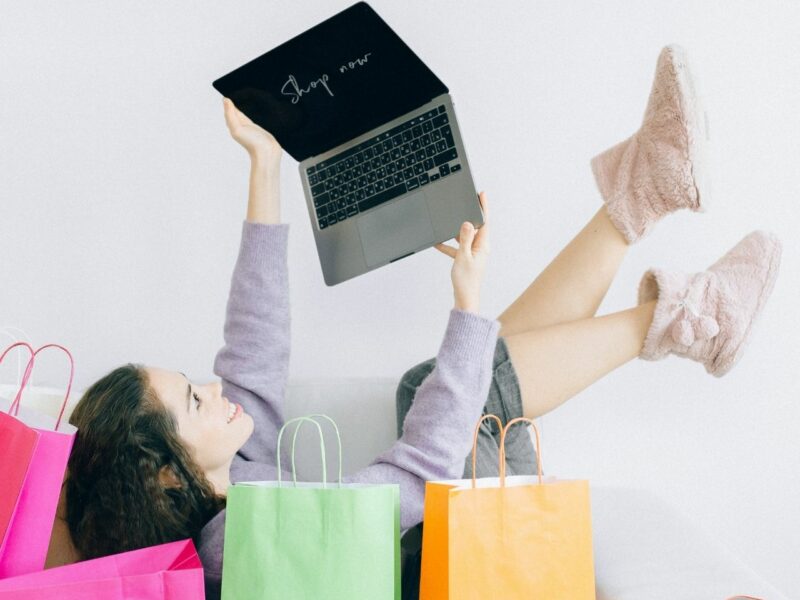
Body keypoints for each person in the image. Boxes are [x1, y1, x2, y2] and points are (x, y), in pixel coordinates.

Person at [47, 45, 781, 599]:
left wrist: (265, 168)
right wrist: (466, 302)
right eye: (193, 401)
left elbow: (254, 345)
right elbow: (418, 474)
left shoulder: (235, 478)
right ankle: (686, 315)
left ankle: (643, 195)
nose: (213, 387)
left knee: (428, 385)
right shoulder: (239, 543)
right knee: (462, 393)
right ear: (169, 480)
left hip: (449, 551)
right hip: (475, 581)